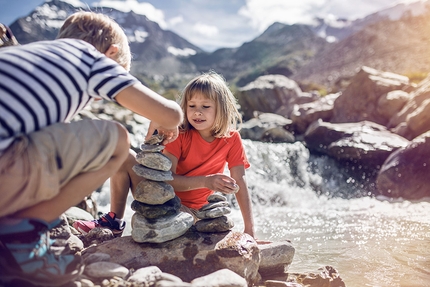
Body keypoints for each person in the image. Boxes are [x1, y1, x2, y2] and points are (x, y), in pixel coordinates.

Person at [0, 11, 182, 286]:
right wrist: (165, 120)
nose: (96, 96)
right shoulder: (92, 59)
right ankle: (22, 231)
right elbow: (170, 115)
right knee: (117, 140)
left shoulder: (27, 53)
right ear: (111, 53)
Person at [74, 71, 259, 239]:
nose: (197, 112)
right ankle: (114, 221)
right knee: (123, 155)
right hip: (164, 202)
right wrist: (206, 181)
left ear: (222, 108)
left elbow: (240, 182)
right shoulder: (181, 134)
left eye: (206, 106)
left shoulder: (232, 138)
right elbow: (166, 180)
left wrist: (249, 229)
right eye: (192, 105)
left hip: (200, 212)